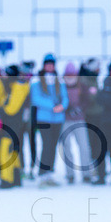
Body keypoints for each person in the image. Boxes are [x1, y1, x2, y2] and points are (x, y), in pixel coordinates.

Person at [29, 54, 68, 187]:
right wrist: (52, 106)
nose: (50, 66)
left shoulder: (59, 80)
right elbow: (36, 98)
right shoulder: (37, 81)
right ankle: (42, 173)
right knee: (46, 145)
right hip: (44, 118)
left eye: (52, 64)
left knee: (53, 146)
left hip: (58, 119)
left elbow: (65, 97)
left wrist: (62, 106)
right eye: (48, 64)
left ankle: (50, 172)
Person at [0, 64, 31, 190]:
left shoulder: (18, 87)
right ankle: (15, 177)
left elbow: (11, 109)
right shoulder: (16, 86)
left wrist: (1, 111)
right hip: (14, 124)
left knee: (5, 150)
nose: (4, 77)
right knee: (13, 150)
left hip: (11, 123)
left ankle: (6, 179)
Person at [60, 62, 93, 184]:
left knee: (84, 147)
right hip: (65, 121)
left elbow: (87, 100)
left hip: (79, 120)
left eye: (72, 74)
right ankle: (70, 174)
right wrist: (67, 108)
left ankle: (86, 173)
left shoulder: (81, 86)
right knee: (67, 147)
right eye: (68, 74)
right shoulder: (61, 86)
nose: (70, 76)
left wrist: (79, 109)